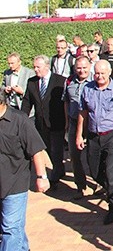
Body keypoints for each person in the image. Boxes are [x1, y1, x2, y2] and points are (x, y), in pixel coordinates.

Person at [76, 60, 113, 225]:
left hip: (112, 135)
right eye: (97, 73)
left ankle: (112, 206)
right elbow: (83, 113)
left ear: (109, 73)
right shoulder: (88, 89)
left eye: (102, 73)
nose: (99, 76)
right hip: (94, 136)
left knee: (111, 171)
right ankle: (110, 188)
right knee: (93, 171)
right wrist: (79, 135)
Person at [0, 90, 50, 251]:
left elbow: (36, 150)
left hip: (15, 183)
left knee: (10, 228)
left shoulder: (20, 120)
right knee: (12, 228)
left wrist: (42, 176)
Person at [21, 55, 67, 188]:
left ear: (47, 66)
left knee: (56, 151)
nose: (35, 69)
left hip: (57, 122)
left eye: (38, 67)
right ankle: (59, 170)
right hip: (41, 125)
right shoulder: (31, 82)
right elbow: (27, 103)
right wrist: (22, 119)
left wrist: (67, 122)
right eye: (34, 67)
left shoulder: (60, 81)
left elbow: (65, 103)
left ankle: (54, 179)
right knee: (47, 150)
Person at [62, 56, 93, 199]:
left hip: (92, 123)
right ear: (75, 68)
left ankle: (99, 183)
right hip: (74, 122)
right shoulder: (69, 81)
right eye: (79, 68)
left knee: (94, 155)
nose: (82, 70)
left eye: (84, 67)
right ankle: (80, 186)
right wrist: (67, 121)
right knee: (74, 155)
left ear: (90, 66)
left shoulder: (95, 80)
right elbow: (66, 102)